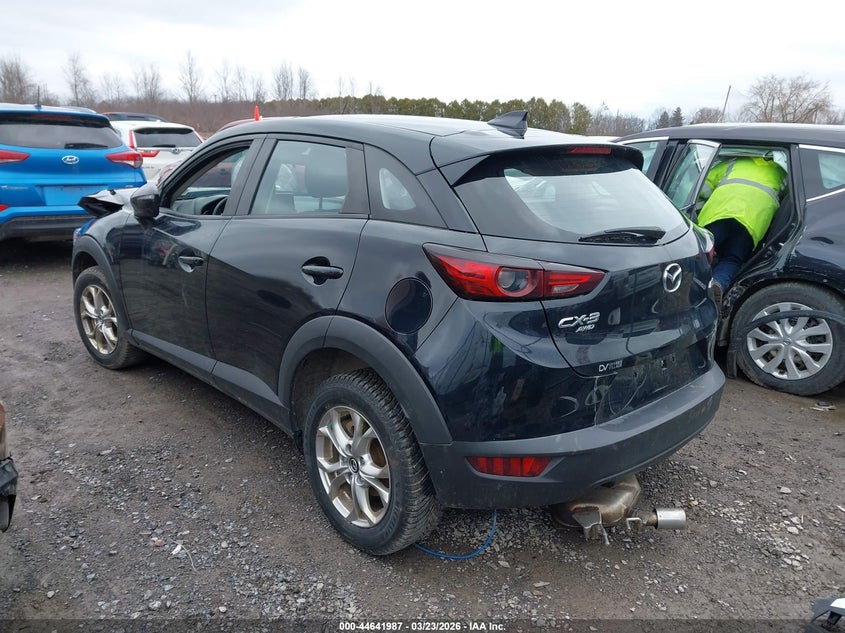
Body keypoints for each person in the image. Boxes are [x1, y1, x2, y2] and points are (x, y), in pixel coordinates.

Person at [697, 156, 787, 303]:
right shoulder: (782, 173)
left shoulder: (732, 162)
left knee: (701, 252)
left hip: (718, 215)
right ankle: (717, 284)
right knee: (732, 259)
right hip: (751, 224)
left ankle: (690, 288)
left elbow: (702, 188)